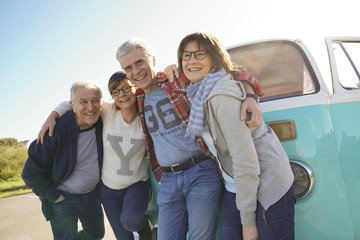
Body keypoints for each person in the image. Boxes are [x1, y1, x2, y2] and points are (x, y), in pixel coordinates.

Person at [115, 38, 263, 240]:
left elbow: (233, 72)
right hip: (168, 180)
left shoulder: (176, 78)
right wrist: (57, 113)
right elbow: (96, 107)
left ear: (153, 60)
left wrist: (251, 96)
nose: (136, 71)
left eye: (140, 62)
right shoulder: (137, 97)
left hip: (200, 172)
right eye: (128, 68)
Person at [169, 32, 295, 240]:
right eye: (186, 55)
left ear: (215, 58)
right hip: (236, 186)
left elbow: (245, 160)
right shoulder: (200, 91)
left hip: (266, 185)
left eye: (200, 54)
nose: (191, 60)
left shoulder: (221, 95)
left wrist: (248, 223)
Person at [38, 72, 152, 240]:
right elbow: (75, 102)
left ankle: (145, 229)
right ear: (112, 96)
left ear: (135, 88)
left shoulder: (146, 114)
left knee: (132, 221)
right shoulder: (107, 110)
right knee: (124, 237)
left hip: (136, 183)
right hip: (109, 190)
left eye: (126, 88)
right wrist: (52, 115)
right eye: (115, 91)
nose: (122, 94)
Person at [22, 81, 105, 240]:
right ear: (72, 105)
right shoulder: (54, 130)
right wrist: (57, 199)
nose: (90, 107)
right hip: (63, 198)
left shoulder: (101, 120)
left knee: (96, 234)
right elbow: (30, 173)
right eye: (83, 102)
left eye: (95, 101)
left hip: (91, 197)